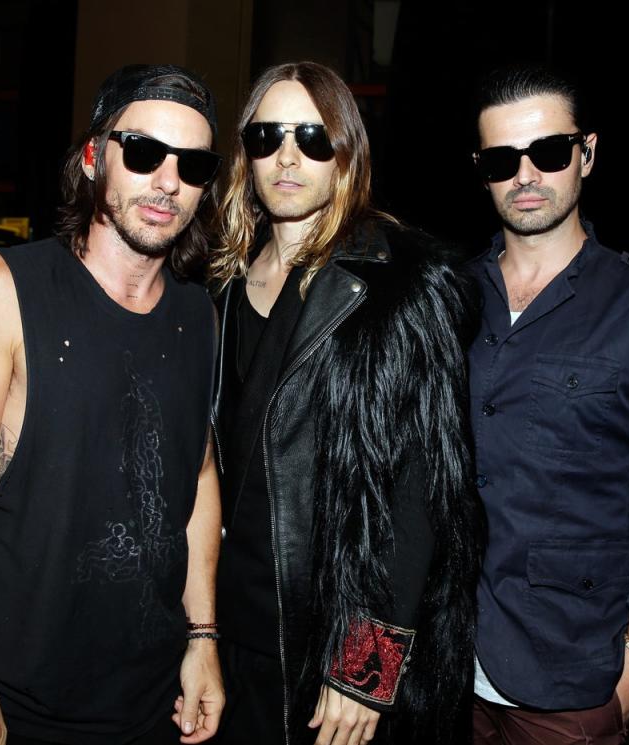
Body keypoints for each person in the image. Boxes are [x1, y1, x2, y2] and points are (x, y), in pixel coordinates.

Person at [0, 64, 225, 745]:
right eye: (143, 153)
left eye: (193, 164)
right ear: (93, 158)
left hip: (153, 704)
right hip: (16, 706)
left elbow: (197, 475)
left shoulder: (198, 315)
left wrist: (202, 637)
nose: (167, 181)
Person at [209, 61, 481, 745]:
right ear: (246, 155)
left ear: (346, 154)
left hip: (328, 642)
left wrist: (367, 668)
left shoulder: (399, 286)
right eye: (268, 136)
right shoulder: (214, 288)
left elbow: (423, 488)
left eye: (313, 136)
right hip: (227, 630)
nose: (289, 155)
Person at [464, 65, 629, 743]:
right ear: (482, 171)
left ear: (587, 153)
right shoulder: (450, 298)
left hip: (570, 682)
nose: (526, 175)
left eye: (548, 152)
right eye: (502, 160)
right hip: (444, 666)